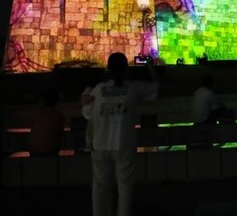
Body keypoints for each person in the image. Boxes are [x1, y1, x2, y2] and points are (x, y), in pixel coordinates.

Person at [81, 52, 159, 216]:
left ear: (108, 69)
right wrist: (150, 68)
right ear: (126, 69)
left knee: (100, 188)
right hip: (124, 143)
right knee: (125, 187)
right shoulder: (132, 88)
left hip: (100, 144)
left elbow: (87, 113)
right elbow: (155, 89)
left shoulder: (99, 90)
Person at [28, 88, 65, 156]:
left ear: (42, 100)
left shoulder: (36, 113)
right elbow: (60, 133)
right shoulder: (58, 115)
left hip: (34, 150)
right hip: (51, 150)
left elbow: (31, 125)